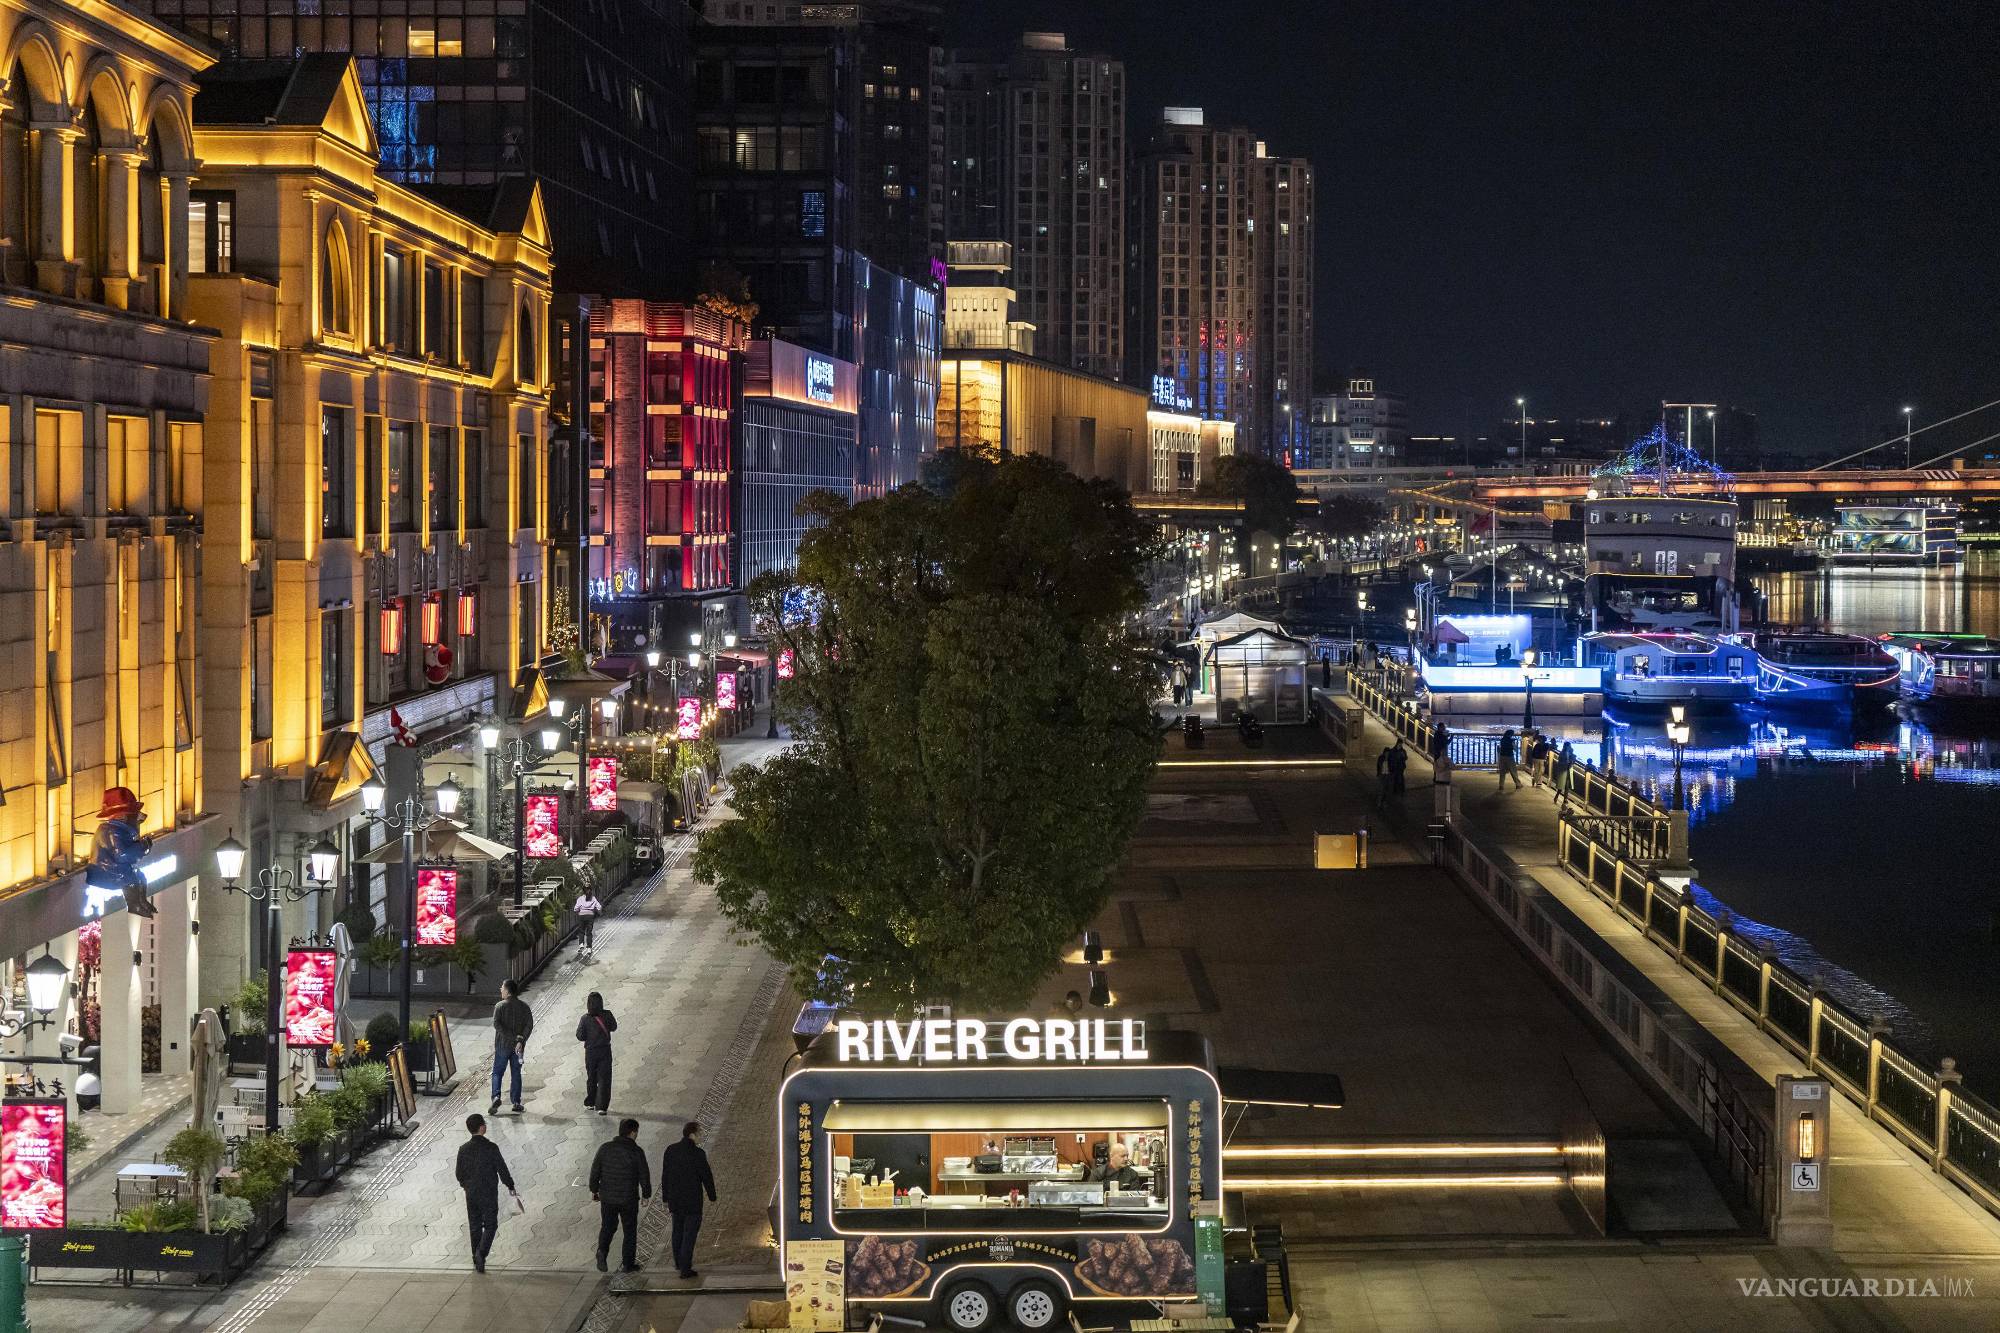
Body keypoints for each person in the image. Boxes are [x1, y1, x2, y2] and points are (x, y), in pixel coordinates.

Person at [454, 1113, 518, 1273]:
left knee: (475, 1225)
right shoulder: (491, 1148)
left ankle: (476, 1257)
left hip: (471, 1193)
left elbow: (459, 1173)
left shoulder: (463, 1149)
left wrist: (465, 1185)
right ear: (482, 1127)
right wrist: (510, 1185)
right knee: (491, 1225)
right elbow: (502, 1169)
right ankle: (481, 1253)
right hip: (488, 1192)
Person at [589, 1117, 652, 1273]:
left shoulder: (605, 1148)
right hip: (628, 1198)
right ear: (633, 1133)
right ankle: (628, 1264)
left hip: (608, 1197)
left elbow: (595, 1170)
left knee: (608, 1226)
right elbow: (644, 1175)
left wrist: (594, 1189)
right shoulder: (636, 1152)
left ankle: (602, 1251)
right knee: (629, 1231)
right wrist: (646, 1194)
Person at [661, 1120, 718, 1279]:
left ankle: (678, 1262)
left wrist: (665, 1197)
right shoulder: (698, 1154)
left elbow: (665, 1175)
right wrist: (712, 1195)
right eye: (700, 1133)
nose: (702, 1135)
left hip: (675, 1200)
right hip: (692, 1201)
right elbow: (706, 1176)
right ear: (692, 1134)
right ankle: (685, 1268)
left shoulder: (671, 1150)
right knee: (689, 1235)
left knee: (677, 1232)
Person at [490, 978, 534, 1115]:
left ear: (508, 991)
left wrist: (511, 1037)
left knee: (497, 1072)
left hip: (502, 1045)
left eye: (502, 987)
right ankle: (516, 1102)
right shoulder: (524, 1007)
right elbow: (529, 1025)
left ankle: (496, 1096)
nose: (500, 989)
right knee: (516, 1073)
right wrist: (520, 1040)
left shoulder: (500, 1006)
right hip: (518, 1048)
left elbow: (497, 1024)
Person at [577, 991, 618, 1114]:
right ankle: (602, 1107)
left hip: (591, 1052)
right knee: (604, 1078)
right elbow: (614, 1027)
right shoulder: (607, 1014)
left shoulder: (585, 1018)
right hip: (605, 1050)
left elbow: (580, 1036)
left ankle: (591, 1102)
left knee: (592, 1077)